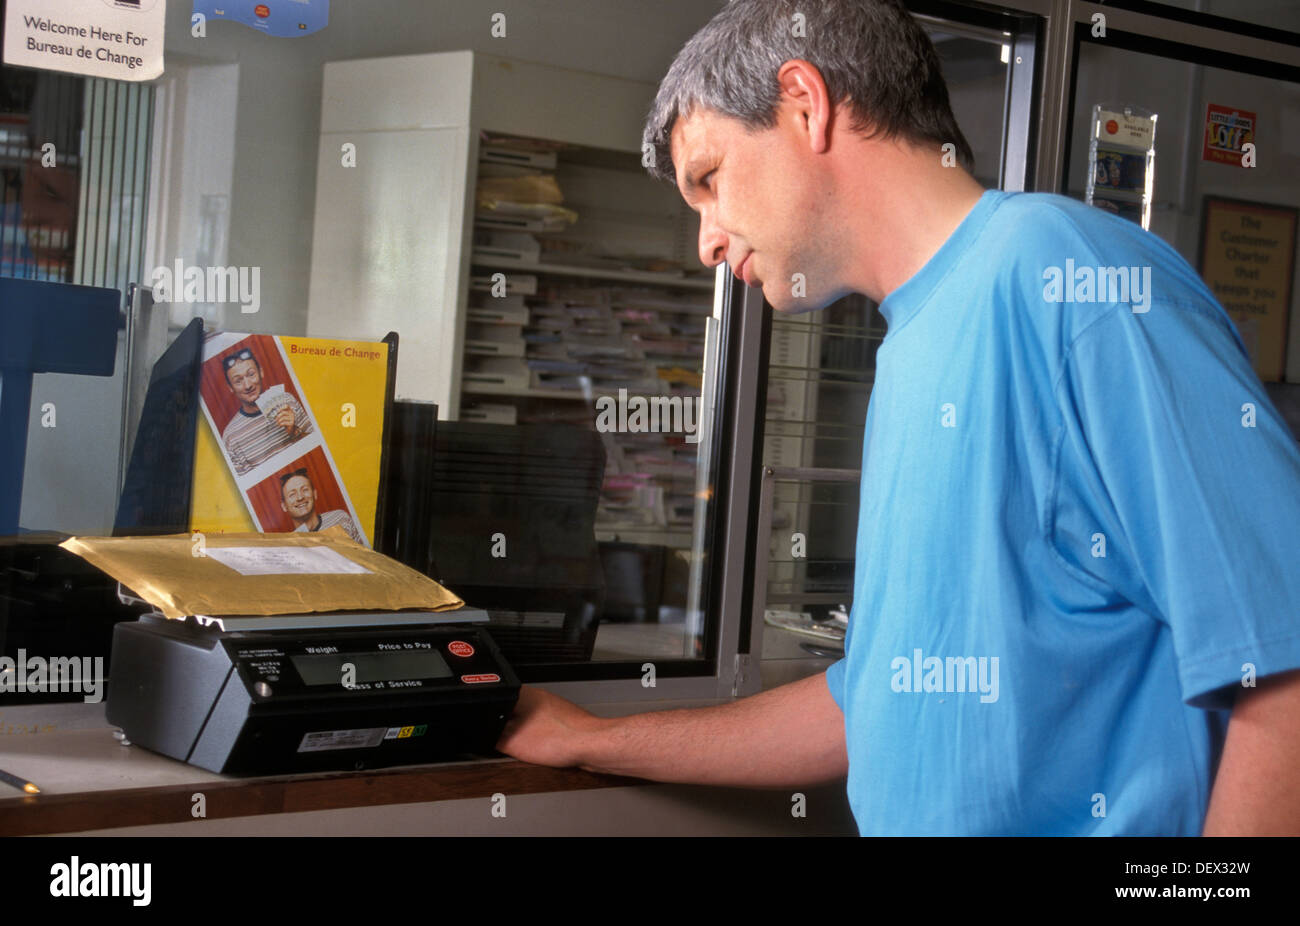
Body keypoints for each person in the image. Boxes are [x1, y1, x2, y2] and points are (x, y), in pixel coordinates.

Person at [495, 0, 1300, 835]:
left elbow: (1283, 672)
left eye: (709, 179)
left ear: (805, 103)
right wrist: (595, 739)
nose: (705, 241)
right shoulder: (915, 340)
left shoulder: (1067, 278)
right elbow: (873, 704)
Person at [219, 347, 314, 475]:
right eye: (238, 381)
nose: (248, 385)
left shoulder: (287, 401)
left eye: (251, 374)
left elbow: (317, 449)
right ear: (230, 387)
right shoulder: (230, 437)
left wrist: (295, 431)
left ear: (261, 372)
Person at [278, 468, 365, 544]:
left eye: (305, 490)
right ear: (284, 506)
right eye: (292, 494)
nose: (300, 497)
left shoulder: (341, 518)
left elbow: (365, 556)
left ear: (315, 494)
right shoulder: (290, 546)